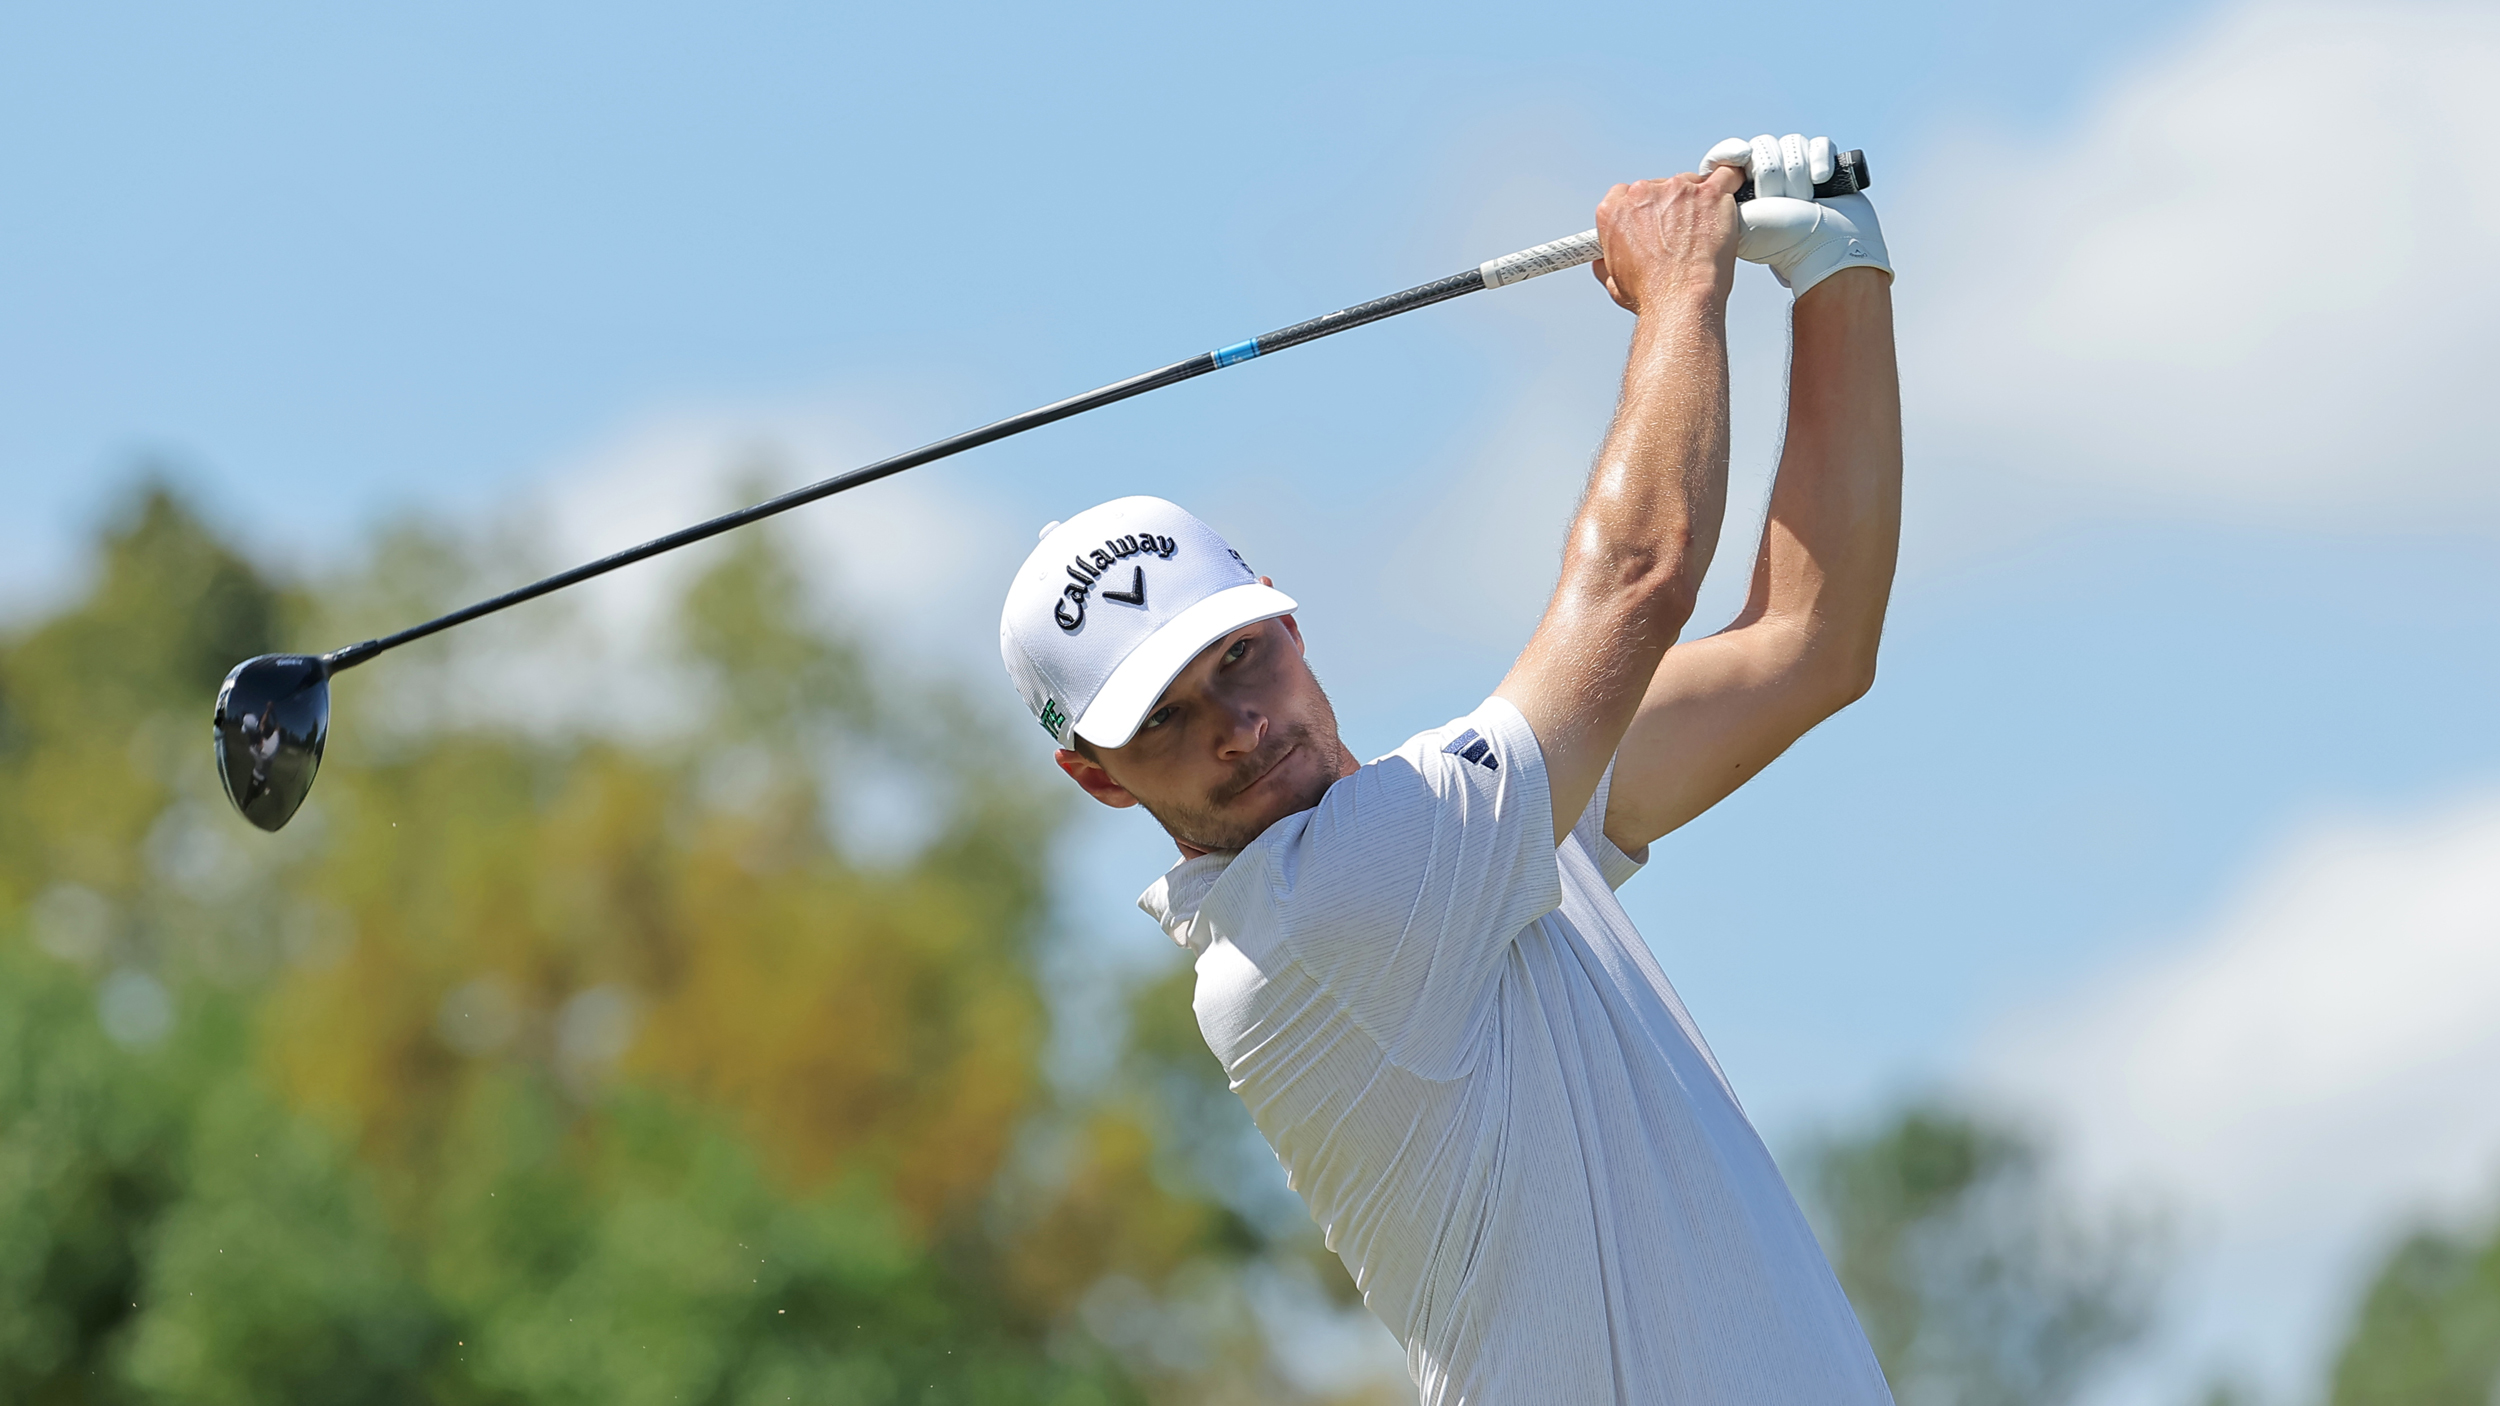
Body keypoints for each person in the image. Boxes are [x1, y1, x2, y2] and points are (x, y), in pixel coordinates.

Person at [997, 132, 1901, 1404]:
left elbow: (1807, 644)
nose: (1237, 728)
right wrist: (1682, 287)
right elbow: (1638, 578)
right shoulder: (1323, 911)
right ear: (1096, 778)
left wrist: (1835, 269)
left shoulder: (1477, 842)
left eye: (1239, 659)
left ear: (1284, 616)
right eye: (1163, 719)